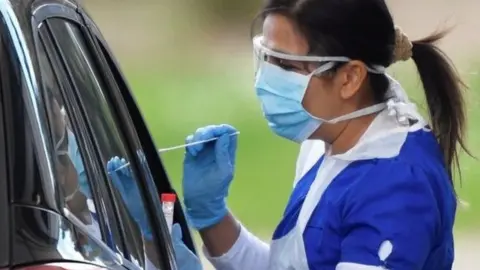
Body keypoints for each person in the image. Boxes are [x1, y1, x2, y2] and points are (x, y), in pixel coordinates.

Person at [108, 0, 468, 269]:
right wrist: (211, 216)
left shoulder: (396, 189)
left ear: (350, 78)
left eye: (286, 65)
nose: (267, 79)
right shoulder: (326, 138)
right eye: (265, 57)